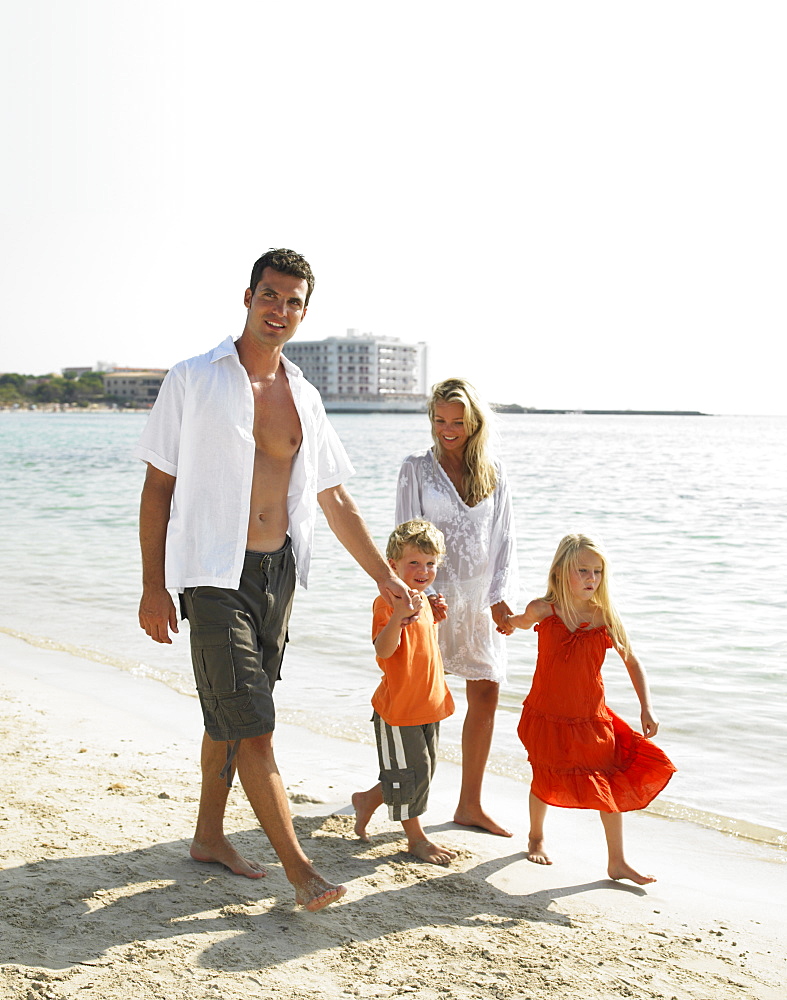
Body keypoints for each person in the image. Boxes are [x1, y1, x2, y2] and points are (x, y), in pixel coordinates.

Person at [135, 248, 414, 912]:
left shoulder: (305, 396)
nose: (279, 310)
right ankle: (300, 870)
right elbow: (156, 488)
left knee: (230, 719)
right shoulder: (192, 379)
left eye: (292, 302)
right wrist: (151, 584)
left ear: (304, 311)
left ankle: (209, 836)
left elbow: (334, 499)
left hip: (276, 573)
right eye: (269, 295)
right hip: (211, 574)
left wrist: (384, 578)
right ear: (247, 296)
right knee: (255, 723)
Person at [503, 533, 676, 884]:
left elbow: (631, 659)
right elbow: (518, 622)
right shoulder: (544, 609)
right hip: (546, 713)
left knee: (606, 781)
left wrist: (647, 707)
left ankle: (617, 861)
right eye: (582, 570)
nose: (591, 579)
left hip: (589, 718)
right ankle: (536, 836)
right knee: (545, 774)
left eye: (596, 572)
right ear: (560, 572)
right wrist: (506, 622)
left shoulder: (604, 617)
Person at [395, 377, 518, 837]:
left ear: (474, 423)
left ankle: (470, 804)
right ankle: (386, 796)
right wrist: (419, 598)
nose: (448, 429)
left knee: (485, 695)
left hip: (480, 600)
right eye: (440, 420)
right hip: (434, 599)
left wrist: (500, 598)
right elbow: (404, 538)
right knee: (419, 702)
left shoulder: (495, 473)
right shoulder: (415, 470)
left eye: (457, 422)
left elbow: (504, 539)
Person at [352, 520, 458, 865]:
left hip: (428, 702)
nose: (423, 571)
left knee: (420, 771)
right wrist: (398, 615)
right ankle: (415, 839)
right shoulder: (388, 603)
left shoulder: (423, 600)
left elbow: (419, 641)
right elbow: (384, 650)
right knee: (410, 775)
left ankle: (368, 799)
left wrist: (434, 614)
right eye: (413, 563)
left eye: (430, 563)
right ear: (392, 566)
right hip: (399, 710)